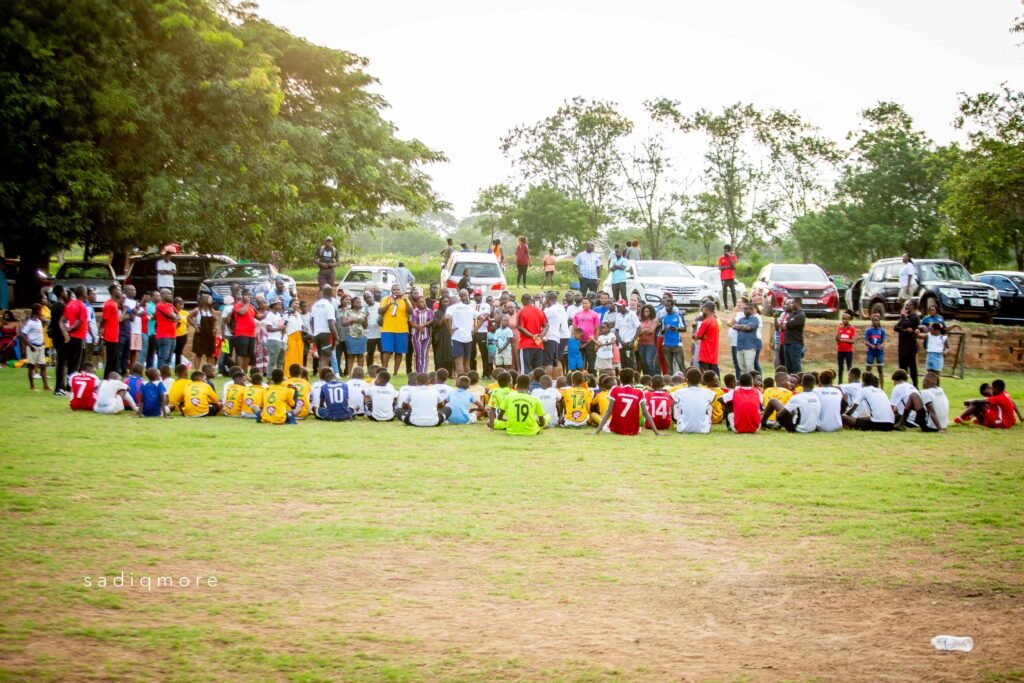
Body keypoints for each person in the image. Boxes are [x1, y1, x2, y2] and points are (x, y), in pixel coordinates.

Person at [592, 368, 658, 436]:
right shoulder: (639, 392)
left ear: (620, 380)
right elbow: (645, 412)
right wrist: (657, 432)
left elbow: (609, 411)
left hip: (616, 429)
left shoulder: (615, 389)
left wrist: (596, 432)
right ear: (633, 379)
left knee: (607, 424)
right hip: (633, 430)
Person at [955, 378, 1021, 429]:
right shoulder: (1005, 393)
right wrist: (1020, 416)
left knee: (978, 404)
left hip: (1000, 423)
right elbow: (1013, 402)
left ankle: (960, 418)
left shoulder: (998, 397)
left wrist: (970, 402)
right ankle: (972, 418)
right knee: (982, 406)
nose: (991, 390)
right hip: (1008, 421)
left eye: (992, 388)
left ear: (996, 388)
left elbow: (977, 402)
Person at [377, 284, 410, 376]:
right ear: (391, 291)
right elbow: (380, 311)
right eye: (394, 289)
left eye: (398, 289)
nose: (396, 291)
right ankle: (384, 370)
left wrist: (406, 300)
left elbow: (411, 311)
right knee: (387, 351)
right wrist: (389, 304)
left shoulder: (405, 299)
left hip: (402, 329)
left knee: (399, 352)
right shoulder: (386, 299)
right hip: (387, 329)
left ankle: (395, 373)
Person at [672, 367, 716, 434]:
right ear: (700, 380)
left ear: (686, 380)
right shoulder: (709, 392)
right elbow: (713, 397)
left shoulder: (679, 392)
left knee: (675, 404)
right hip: (704, 429)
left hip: (683, 428)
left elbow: (671, 397)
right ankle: (705, 423)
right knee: (709, 406)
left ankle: (679, 422)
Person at [20, 304, 51, 392]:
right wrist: (29, 345)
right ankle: (32, 386)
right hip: (33, 346)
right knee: (31, 366)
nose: (41, 312)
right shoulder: (30, 322)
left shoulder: (39, 321)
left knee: (43, 366)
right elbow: (23, 334)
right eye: (40, 310)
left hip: (41, 346)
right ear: (36, 311)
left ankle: (46, 386)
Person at [62, 286, 90, 376]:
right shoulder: (82, 306)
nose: (87, 295)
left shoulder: (70, 305)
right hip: (79, 337)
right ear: (83, 294)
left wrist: (65, 331)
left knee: (71, 363)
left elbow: (62, 321)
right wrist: (69, 329)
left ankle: (68, 381)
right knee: (77, 365)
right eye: (86, 293)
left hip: (71, 338)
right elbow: (77, 324)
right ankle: (72, 382)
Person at [446, 289, 476, 377]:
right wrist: (475, 330)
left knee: (459, 362)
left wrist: (450, 329)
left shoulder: (453, 308)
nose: (463, 297)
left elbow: (447, 318)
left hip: (458, 337)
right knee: (466, 362)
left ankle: (461, 381)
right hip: (467, 337)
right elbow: (481, 317)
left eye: (465, 295)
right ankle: (468, 382)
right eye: (462, 296)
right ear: (459, 297)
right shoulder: (470, 307)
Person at [893, 300, 921, 388]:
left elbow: (906, 323)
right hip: (902, 347)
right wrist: (904, 330)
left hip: (910, 347)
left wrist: (903, 316)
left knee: (912, 368)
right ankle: (903, 386)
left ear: (913, 306)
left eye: (909, 304)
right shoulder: (905, 317)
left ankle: (915, 386)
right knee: (902, 368)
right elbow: (896, 327)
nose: (907, 306)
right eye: (906, 304)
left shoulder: (915, 317)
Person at [516, 293, 546, 373]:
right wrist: (540, 337)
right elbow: (547, 326)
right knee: (537, 371)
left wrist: (532, 336)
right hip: (538, 344)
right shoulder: (540, 311)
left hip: (526, 344)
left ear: (522, 301)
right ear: (532, 300)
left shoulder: (521, 311)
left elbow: (520, 327)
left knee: (525, 371)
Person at [657, 296, 686, 375]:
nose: (667, 307)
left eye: (668, 305)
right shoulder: (664, 318)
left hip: (677, 344)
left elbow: (684, 329)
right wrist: (664, 329)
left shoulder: (677, 316)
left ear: (672, 306)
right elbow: (662, 332)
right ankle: (670, 381)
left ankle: (685, 380)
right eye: (665, 306)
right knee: (669, 368)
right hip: (666, 344)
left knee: (681, 365)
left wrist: (676, 329)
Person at [572, 296, 601, 375]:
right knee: (579, 360)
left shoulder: (594, 314)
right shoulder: (577, 314)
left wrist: (596, 342)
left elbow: (597, 329)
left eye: (586, 303)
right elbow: (574, 328)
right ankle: (580, 376)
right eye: (583, 303)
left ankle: (592, 377)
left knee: (591, 360)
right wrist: (573, 340)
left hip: (590, 341)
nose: (584, 305)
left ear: (590, 304)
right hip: (579, 340)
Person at [732, 302, 759, 377]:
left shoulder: (754, 319)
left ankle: (752, 382)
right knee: (742, 368)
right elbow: (734, 326)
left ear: (752, 310)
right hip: (740, 347)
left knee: (749, 368)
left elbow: (748, 328)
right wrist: (743, 327)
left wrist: (740, 327)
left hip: (749, 347)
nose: (745, 310)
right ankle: (744, 382)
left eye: (747, 309)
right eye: (744, 309)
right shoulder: (741, 319)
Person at [779, 298, 805, 373]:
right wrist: (786, 324)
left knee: (795, 365)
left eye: (792, 303)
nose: (791, 305)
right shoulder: (792, 314)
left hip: (795, 343)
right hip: (787, 342)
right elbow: (782, 326)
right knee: (788, 365)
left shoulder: (800, 315)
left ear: (798, 304)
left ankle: (798, 379)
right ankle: (790, 379)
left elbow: (790, 324)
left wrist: (786, 324)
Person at [695, 302, 720, 376]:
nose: (702, 311)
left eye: (703, 309)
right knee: (714, 376)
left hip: (705, 354)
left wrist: (698, 336)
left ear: (706, 310)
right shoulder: (715, 321)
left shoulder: (706, 322)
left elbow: (697, 336)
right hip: (713, 354)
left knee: (706, 377)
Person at [835, 311, 856, 384]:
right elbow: (837, 339)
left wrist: (842, 340)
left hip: (848, 351)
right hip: (840, 350)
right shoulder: (840, 328)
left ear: (849, 319)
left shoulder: (852, 329)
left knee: (849, 368)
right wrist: (839, 329)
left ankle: (850, 382)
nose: (844, 320)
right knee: (840, 368)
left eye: (845, 319)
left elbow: (852, 341)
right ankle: (840, 382)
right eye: (843, 319)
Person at [718, 245, 738, 309]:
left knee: (733, 292)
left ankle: (735, 306)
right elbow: (720, 267)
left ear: (729, 251)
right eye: (724, 250)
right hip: (723, 278)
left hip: (731, 278)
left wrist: (730, 257)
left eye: (726, 250)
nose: (724, 252)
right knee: (724, 293)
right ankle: (726, 308)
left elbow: (733, 266)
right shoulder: (721, 258)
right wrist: (728, 267)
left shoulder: (733, 257)